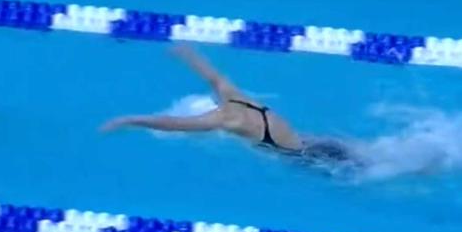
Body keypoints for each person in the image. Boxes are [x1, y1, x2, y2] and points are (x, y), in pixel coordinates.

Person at [100, 44, 357, 167]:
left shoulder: (224, 119)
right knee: (364, 159)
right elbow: (212, 75)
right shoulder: (232, 95)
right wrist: (186, 54)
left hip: (306, 157)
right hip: (314, 142)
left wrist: (130, 120)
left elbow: (172, 124)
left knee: (357, 173)